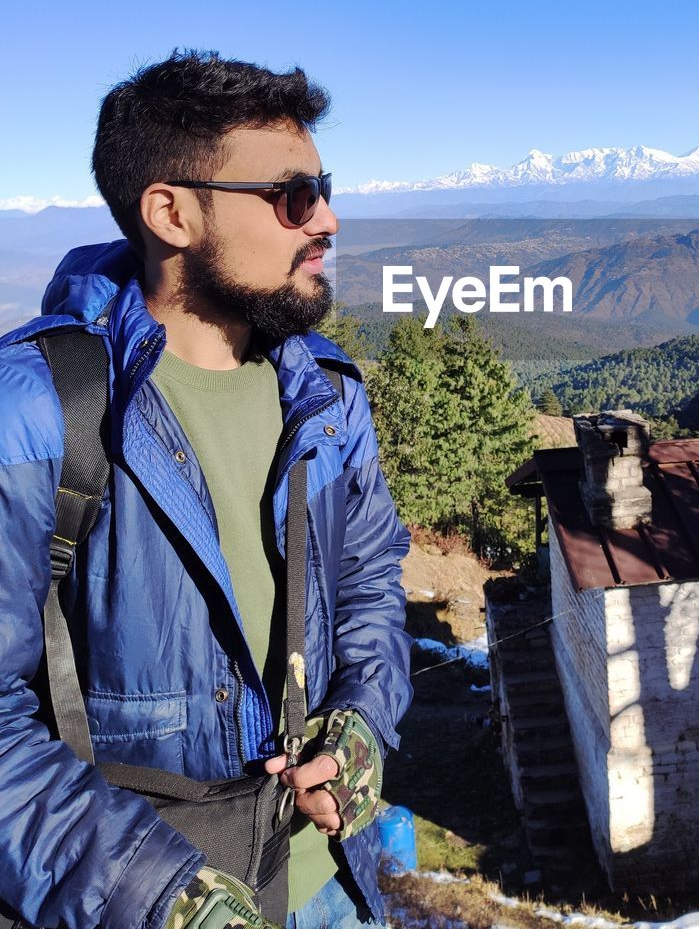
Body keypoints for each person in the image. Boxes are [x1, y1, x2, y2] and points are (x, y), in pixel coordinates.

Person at [0, 52, 411, 929]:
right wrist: (150, 897)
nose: (329, 220)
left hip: (325, 881)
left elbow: (371, 582)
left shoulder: (328, 396)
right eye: (293, 196)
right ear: (172, 212)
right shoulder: (39, 415)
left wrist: (362, 722)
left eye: (324, 188)